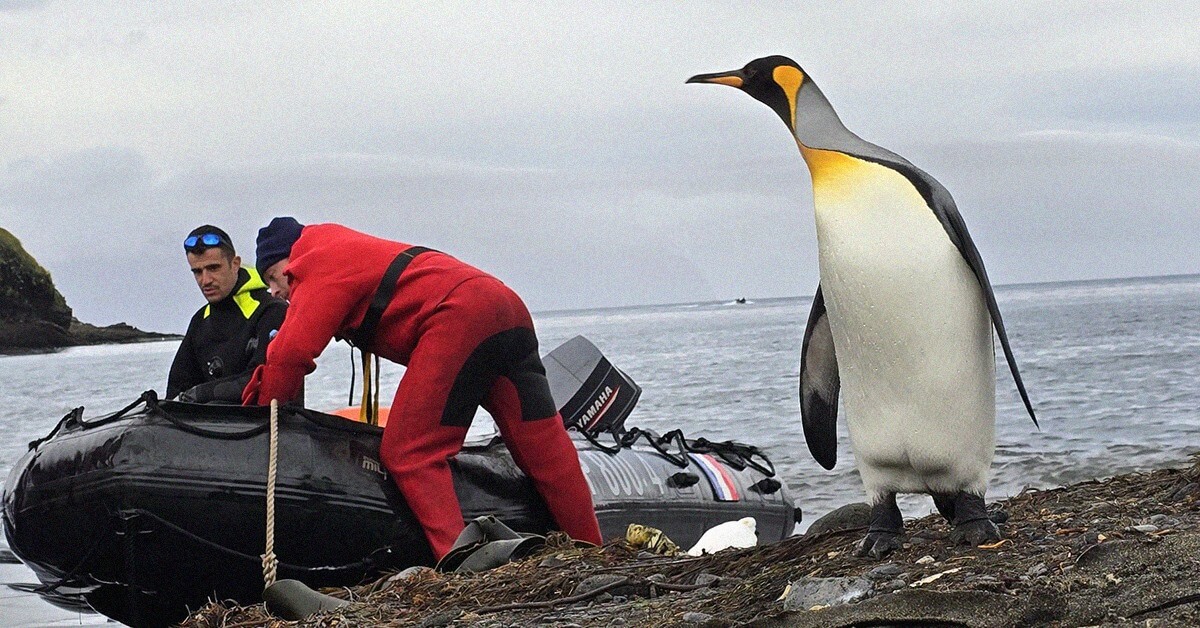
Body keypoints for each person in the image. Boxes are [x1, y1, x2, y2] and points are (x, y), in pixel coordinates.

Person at [242, 217, 603, 559]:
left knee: (411, 451)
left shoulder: (316, 261)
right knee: (545, 448)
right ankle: (594, 552)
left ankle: (462, 564)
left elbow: (291, 353)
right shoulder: (345, 246)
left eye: (273, 277)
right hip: (504, 304)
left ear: (289, 260)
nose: (274, 291)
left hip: (461, 314)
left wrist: (261, 416)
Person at [166, 225, 288, 404]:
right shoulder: (200, 321)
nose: (205, 280)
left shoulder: (272, 311)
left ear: (235, 264)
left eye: (213, 268)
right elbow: (175, 393)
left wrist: (199, 394)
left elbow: (264, 380)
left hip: (271, 419)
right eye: (197, 272)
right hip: (213, 420)